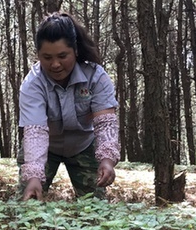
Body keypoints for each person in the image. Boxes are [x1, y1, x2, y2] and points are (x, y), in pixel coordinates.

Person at [17, 12, 120, 200]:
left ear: (75, 51)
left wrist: (107, 160)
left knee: (96, 209)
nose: (55, 64)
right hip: (45, 148)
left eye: (62, 56)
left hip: (84, 145)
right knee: (28, 203)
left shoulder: (96, 77)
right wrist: (33, 177)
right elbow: (35, 132)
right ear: (38, 55)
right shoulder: (32, 84)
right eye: (47, 57)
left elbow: (105, 123)